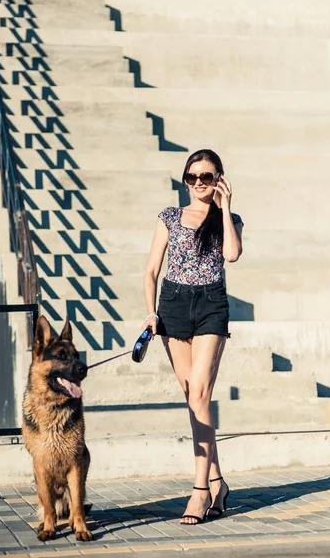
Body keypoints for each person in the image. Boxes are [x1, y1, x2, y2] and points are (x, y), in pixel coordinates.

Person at [142, 149, 243, 525]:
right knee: (193, 398)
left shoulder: (228, 220)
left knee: (199, 394)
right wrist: (151, 313)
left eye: (207, 176)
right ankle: (218, 482)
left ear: (219, 178)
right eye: (193, 177)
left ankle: (200, 490)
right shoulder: (169, 217)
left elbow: (232, 255)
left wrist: (226, 206)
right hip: (172, 305)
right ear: (185, 180)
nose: (199, 183)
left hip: (211, 305)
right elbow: (151, 270)